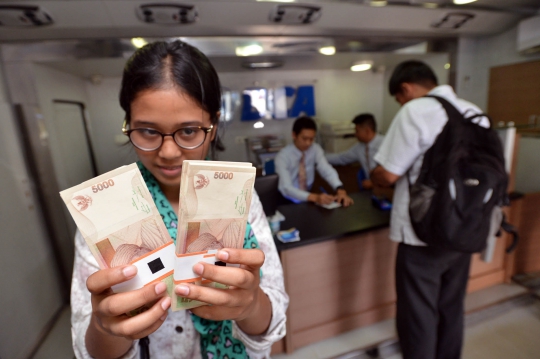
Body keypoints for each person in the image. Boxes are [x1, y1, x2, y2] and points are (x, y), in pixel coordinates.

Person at [71, 40, 289, 359]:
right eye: (147, 131)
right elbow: (87, 343)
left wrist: (252, 304)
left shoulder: (236, 196)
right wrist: (106, 328)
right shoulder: (107, 211)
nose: (169, 152)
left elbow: (271, 317)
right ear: (128, 125)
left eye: (188, 131)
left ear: (212, 127)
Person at [370, 60, 490, 359]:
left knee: (418, 317)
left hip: (422, 236)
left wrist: (374, 175)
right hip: (465, 230)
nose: (401, 103)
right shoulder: (474, 112)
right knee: (451, 308)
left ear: (406, 88)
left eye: (399, 98)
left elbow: (388, 174)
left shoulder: (415, 111)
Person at [274, 116, 354, 206]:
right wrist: (315, 197)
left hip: (308, 197)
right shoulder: (283, 156)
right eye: (304, 139)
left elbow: (326, 169)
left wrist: (339, 188)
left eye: (311, 139)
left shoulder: (315, 149)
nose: (308, 143)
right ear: (294, 135)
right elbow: (286, 188)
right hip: (287, 200)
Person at [326, 113, 385, 190]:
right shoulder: (359, 147)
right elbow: (341, 158)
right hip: (371, 190)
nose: (355, 134)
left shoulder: (385, 144)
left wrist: (373, 183)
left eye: (357, 131)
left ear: (367, 131)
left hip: (387, 188)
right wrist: (319, 157)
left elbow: (392, 171)